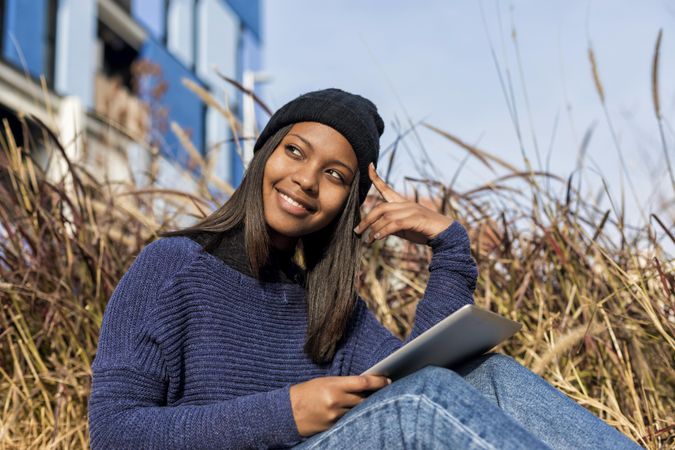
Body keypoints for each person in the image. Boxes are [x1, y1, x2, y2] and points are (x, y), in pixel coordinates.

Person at [87, 88, 642, 449]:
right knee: (421, 404)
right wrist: (286, 413)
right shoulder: (173, 267)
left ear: (350, 201)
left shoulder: (332, 311)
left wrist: (449, 248)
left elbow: (432, 380)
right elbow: (112, 433)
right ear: (264, 156)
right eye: (296, 152)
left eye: (335, 175)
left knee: (486, 376)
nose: (306, 180)